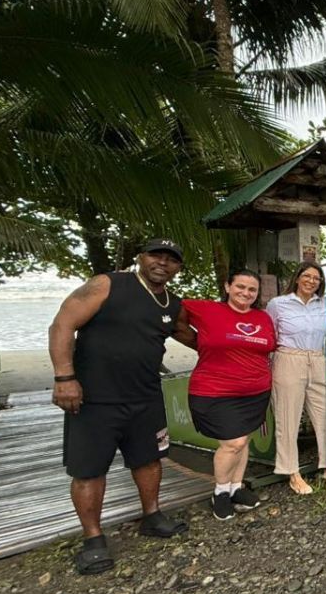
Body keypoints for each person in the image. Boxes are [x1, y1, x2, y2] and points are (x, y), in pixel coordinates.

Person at [49, 238, 194, 575]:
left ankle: (152, 515)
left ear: (178, 268)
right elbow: (62, 324)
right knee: (88, 469)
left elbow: (191, 336)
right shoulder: (108, 284)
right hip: (95, 398)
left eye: (171, 260)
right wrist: (63, 378)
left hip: (145, 396)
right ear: (141, 257)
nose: (162, 263)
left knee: (149, 459)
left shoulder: (172, 303)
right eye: (156, 255)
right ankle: (93, 538)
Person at [177, 269, 276, 521]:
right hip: (214, 390)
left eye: (251, 289)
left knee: (242, 440)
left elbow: (269, 347)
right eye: (240, 287)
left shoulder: (262, 318)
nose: (246, 293)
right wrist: (193, 340)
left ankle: (236, 488)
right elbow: (168, 309)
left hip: (255, 391)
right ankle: (220, 492)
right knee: (232, 443)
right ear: (227, 286)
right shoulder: (206, 309)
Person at [265, 261, 326, 496]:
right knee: (287, 417)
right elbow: (269, 334)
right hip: (288, 359)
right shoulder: (278, 304)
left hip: (318, 359)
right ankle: (292, 472)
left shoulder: (324, 304)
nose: (312, 281)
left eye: (317, 278)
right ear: (298, 277)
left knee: (324, 415)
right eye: (307, 276)